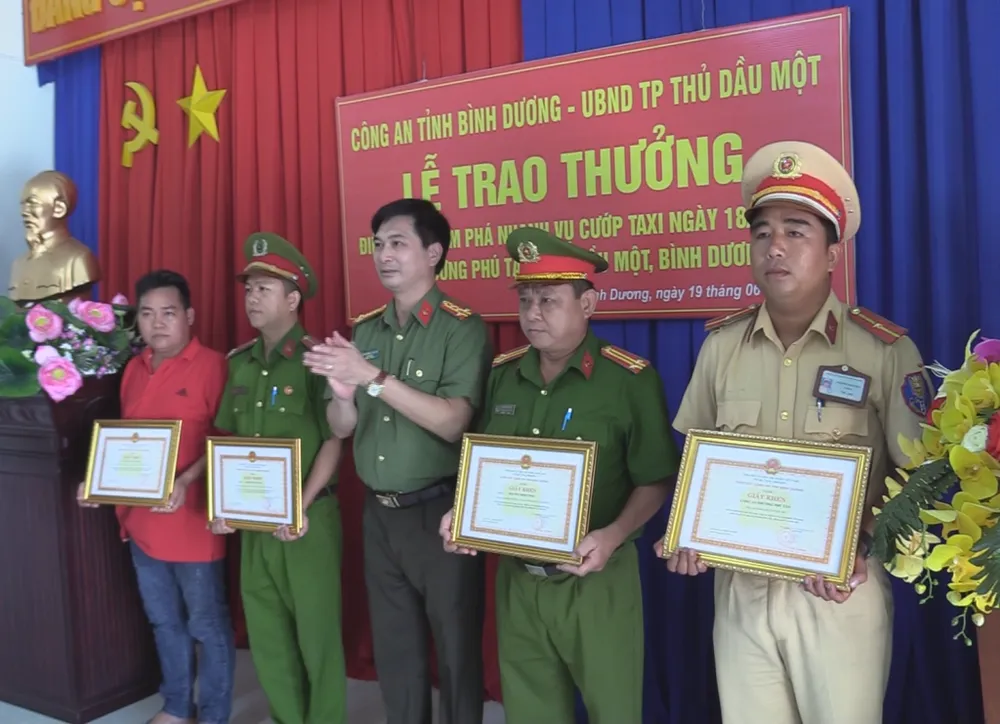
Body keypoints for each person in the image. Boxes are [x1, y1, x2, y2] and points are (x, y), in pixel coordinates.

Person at [660, 141, 931, 724]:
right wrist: (687, 531)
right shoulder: (721, 347)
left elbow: (919, 477)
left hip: (836, 592)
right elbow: (698, 460)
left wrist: (861, 545)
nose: (774, 246)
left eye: (795, 231)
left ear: (832, 253)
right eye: (762, 232)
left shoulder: (883, 350)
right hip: (740, 592)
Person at [436, 229, 679, 724]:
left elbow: (655, 479)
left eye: (548, 299)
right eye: (525, 299)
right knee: (530, 713)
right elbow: (488, 469)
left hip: (597, 582)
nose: (532, 313)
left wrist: (612, 536)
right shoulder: (503, 375)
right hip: (518, 581)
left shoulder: (628, 380)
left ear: (587, 304)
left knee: (614, 712)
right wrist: (463, 514)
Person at [303, 198, 490, 724]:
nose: (384, 255)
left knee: (455, 650)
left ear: (433, 253)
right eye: (379, 244)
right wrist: (344, 395)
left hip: (439, 513)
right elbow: (342, 427)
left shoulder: (461, 327)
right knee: (395, 649)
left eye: (398, 243)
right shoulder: (366, 332)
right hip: (379, 515)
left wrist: (372, 378)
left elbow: (453, 422)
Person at [76, 269, 234, 724]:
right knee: (164, 621)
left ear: (189, 316)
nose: (157, 323)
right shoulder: (133, 369)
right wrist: (97, 482)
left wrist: (185, 481)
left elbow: (226, 441)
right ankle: (177, 707)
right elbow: (128, 444)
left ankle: (215, 715)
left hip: (193, 522)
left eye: (168, 313)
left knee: (206, 624)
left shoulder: (214, 366)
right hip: (141, 523)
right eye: (147, 314)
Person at [210, 233, 346, 724]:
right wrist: (223, 506)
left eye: (264, 289)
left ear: (293, 299)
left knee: (317, 637)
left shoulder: (316, 360)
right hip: (254, 524)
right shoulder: (239, 363)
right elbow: (230, 441)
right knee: (267, 634)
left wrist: (302, 505)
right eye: (249, 289)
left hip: (307, 522)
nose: (252, 297)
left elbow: (334, 440)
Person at [8, 169, 101, 302]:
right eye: (23, 205)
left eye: (33, 203)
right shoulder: (19, 264)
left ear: (59, 209)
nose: (24, 212)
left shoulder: (79, 259)